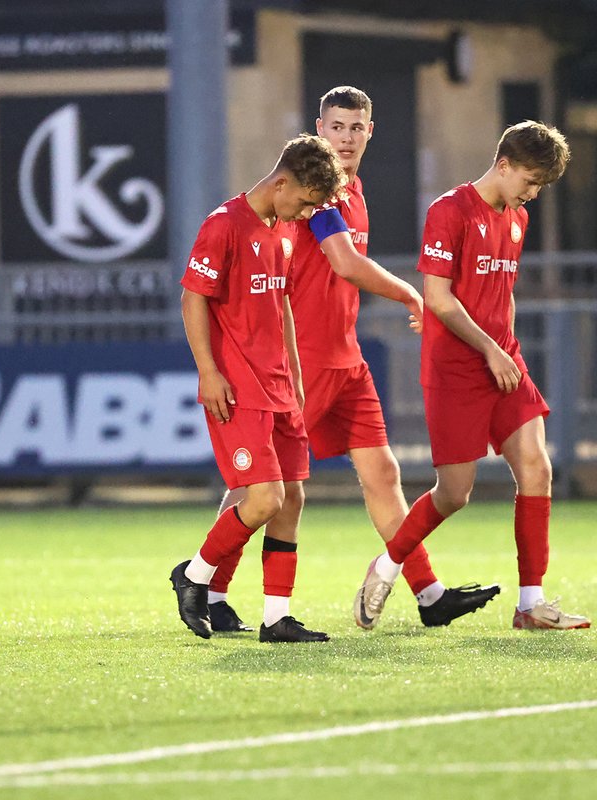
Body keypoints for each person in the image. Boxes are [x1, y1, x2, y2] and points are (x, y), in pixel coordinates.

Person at [206, 87, 501, 633]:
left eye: (355, 127)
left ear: (371, 131)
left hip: (348, 359)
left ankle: (429, 593)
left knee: (383, 472)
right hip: (305, 361)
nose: (345, 137)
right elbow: (344, 263)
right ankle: (211, 588)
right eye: (336, 127)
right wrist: (411, 294)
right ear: (319, 129)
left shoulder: (354, 191)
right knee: (264, 487)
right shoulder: (317, 197)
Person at [356, 120, 590, 631]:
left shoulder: (517, 219)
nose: (532, 194)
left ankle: (531, 604)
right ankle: (387, 566)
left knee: (536, 466)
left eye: (540, 187)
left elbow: (502, 293)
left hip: (503, 362)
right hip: (457, 368)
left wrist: (505, 350)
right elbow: (438, 298)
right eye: (529, 181)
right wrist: (488, 350)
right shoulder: (450, 210)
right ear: (502, 164)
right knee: (454, 494)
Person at [170, 134, 346, 643]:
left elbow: (282, 303)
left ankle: (276, 617)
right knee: (264, 498)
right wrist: (208, 370)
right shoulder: (224, 224)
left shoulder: (284, 231)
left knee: (291, 499)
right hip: (239, 385)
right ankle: (194, 576)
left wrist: (293, 370)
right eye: (305, 201)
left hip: (279, 384)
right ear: (282, 181)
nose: (305, 213)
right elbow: (193, 298)